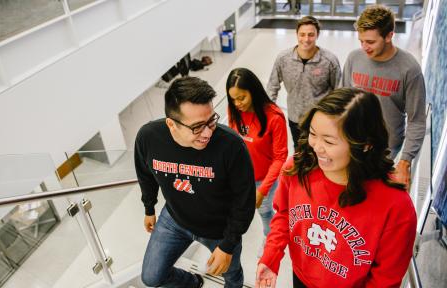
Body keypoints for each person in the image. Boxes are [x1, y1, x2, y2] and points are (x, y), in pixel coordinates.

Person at [255, 88, 417, 288]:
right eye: (313, 134)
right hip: (302, 278)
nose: (316, 147)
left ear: (365, 144)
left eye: (329, 141)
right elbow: (284, 215)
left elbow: (385, 278)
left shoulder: (396, 206)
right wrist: (270, 257)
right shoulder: (297, 168)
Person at [135, 76, 256, 288]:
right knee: (151, 277)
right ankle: (191, 282)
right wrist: (148, 207)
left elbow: (244, 201)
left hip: (220, 229)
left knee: (232, 276)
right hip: (174, 219)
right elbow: (145, 173)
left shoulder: (231, 146)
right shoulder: (148, 138)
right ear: (171, 124)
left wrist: (228, 245)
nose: (208, 132)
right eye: (198, 127)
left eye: (211, 120)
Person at [342, 4, 426, 188]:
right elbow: (344, 102)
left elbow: (417, 121)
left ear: (389, 36)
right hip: (354, 142)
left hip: (386, 149)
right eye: (361, 41)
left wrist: (405, 161)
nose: (364, 47)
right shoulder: (354, 58)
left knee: (373, 192)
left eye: (370, 42)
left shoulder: (409, 69)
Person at [226, 68, 288, 241]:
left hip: (264, 178)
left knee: (265, 212)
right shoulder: (234, 110)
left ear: (253, 91)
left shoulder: (274, 117)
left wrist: (262, 190)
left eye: (242, 97)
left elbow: (280, 157)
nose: (237, 103)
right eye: (233, 99)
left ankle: (269, 239)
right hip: (239, 176)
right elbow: (232, 141)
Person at [267, 16, 341, 150]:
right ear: (296, 34)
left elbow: (339, 91)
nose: (306, 39)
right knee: (299, 149)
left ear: (317, 35)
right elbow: (272, 86)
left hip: (320, 119)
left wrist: (335, 117)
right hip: (295, 118)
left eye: (311, 35)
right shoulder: (284, 59)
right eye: (302, 34)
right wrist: (269, 113)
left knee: (319, 151)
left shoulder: (329, 61)